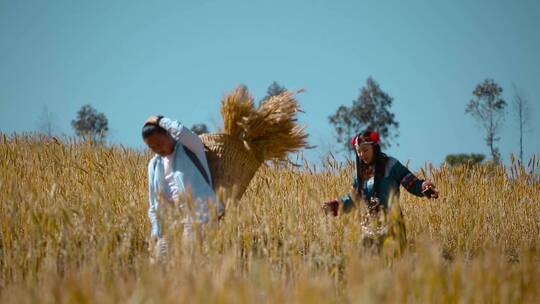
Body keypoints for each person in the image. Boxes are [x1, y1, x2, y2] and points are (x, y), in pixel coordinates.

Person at [142, 115, 224, 258]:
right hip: (172, 222)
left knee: (188, 260)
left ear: (168, 134)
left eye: (160, 143)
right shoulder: (154, 166)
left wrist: (160, 120)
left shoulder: (191, 148)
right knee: (160, 262)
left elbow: (181, 131)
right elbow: (154, 203)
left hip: (198, 217)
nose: (157, 149)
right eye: (152, 147)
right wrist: (156, 231)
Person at [323, 130, 439, 216]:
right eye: (358, 152)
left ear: (375, 148)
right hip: (369, 227)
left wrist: (423, 186)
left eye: (365, 150)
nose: (362, 155)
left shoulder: (391, 165)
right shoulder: (360, 174)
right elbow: (355, 198)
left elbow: (412, 183)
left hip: (393, 224)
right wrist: (338, 205)